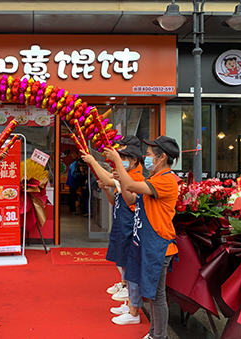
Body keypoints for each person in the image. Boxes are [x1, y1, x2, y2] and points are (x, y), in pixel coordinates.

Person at [104, 136, 180, 339]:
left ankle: (159, 335)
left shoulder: (166, 180)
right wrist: (120, 179)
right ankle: (154, 332)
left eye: (148, 155)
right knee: (153, 295)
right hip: (148, 244)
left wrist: (119, 165)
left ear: (162, 157)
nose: (146, 158)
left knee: (157, 296)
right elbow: (130, 197)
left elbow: (131, 187)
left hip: (159, 245)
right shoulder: (154, 179)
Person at [81, 142, 145, 324]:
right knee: (124, 266)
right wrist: (107, 190)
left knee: (130, 270)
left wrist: (93, 162)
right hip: (120, 226)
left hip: (128, 228)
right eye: (120, 158)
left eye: (123, 159)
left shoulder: (134, 177)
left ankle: (134, 310)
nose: (120, 162)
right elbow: (114, 197)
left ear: (133, 161)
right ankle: (129, 304)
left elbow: (110, 179)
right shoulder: (125, 176)